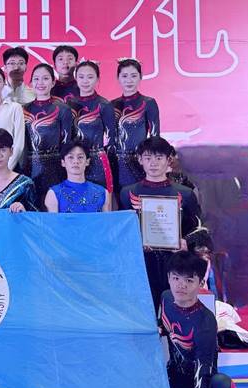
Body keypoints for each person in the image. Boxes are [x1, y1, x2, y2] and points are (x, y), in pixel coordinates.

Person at [158, 251, 237, 388]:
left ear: (201, 283)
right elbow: (164, 326)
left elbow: (202, 379)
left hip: (200, 384)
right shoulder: (166, 298)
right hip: (173, 379)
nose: (181, 285)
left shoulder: (205, 324)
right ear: (168, 278)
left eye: (189, 280)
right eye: (176, 278)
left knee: (223, 386)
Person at [118, 137, 202, 310]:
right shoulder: (127, 193)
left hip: (175, 265)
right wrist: (135, 242)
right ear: (140, 160)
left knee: (173, 311)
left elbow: (199, 230)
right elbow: (122, 231)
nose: (153, 163)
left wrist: (186, 243)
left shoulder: (185, 194)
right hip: (141, 264)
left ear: (168, 160)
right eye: (148, 158)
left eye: (159, 158)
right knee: (143, 311)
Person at [23, 63, 74, 204]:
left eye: (45, 78)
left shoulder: (63, 109)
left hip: (55, 168)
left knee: (53, 207)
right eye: (36, 79)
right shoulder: (23, 109)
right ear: (31, 83)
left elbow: (67, 143)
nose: (40, 83)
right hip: (28, 167)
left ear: (53, 83)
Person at [111, 58, 160, 189]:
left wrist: (150, 160)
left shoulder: (148, 103)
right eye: (124, 76)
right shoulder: (112, 105)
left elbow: (155, 136)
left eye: (133, 76)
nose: (129, 80)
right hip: (115, 161)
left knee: (138, 196)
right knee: (118, 196)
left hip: (138, 161)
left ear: (140, 77)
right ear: (118, 78)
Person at [70, 61, 117, 192]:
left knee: (101, 197)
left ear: (97, 79)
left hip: (97, 160)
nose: (85, 81)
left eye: (90, 77)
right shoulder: (69, 105)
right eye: (81, 77)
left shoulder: (104, 105)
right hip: (75, 160)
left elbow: (111, 138)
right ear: (76, 78)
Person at [45, 142, 110, 213]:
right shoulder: (53, 194)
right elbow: (52, 220)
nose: (76, 161)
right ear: (63, 162)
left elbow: (107, 220)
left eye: (80, 157)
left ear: (87, 161)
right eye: (70, 157)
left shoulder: (102, 193)